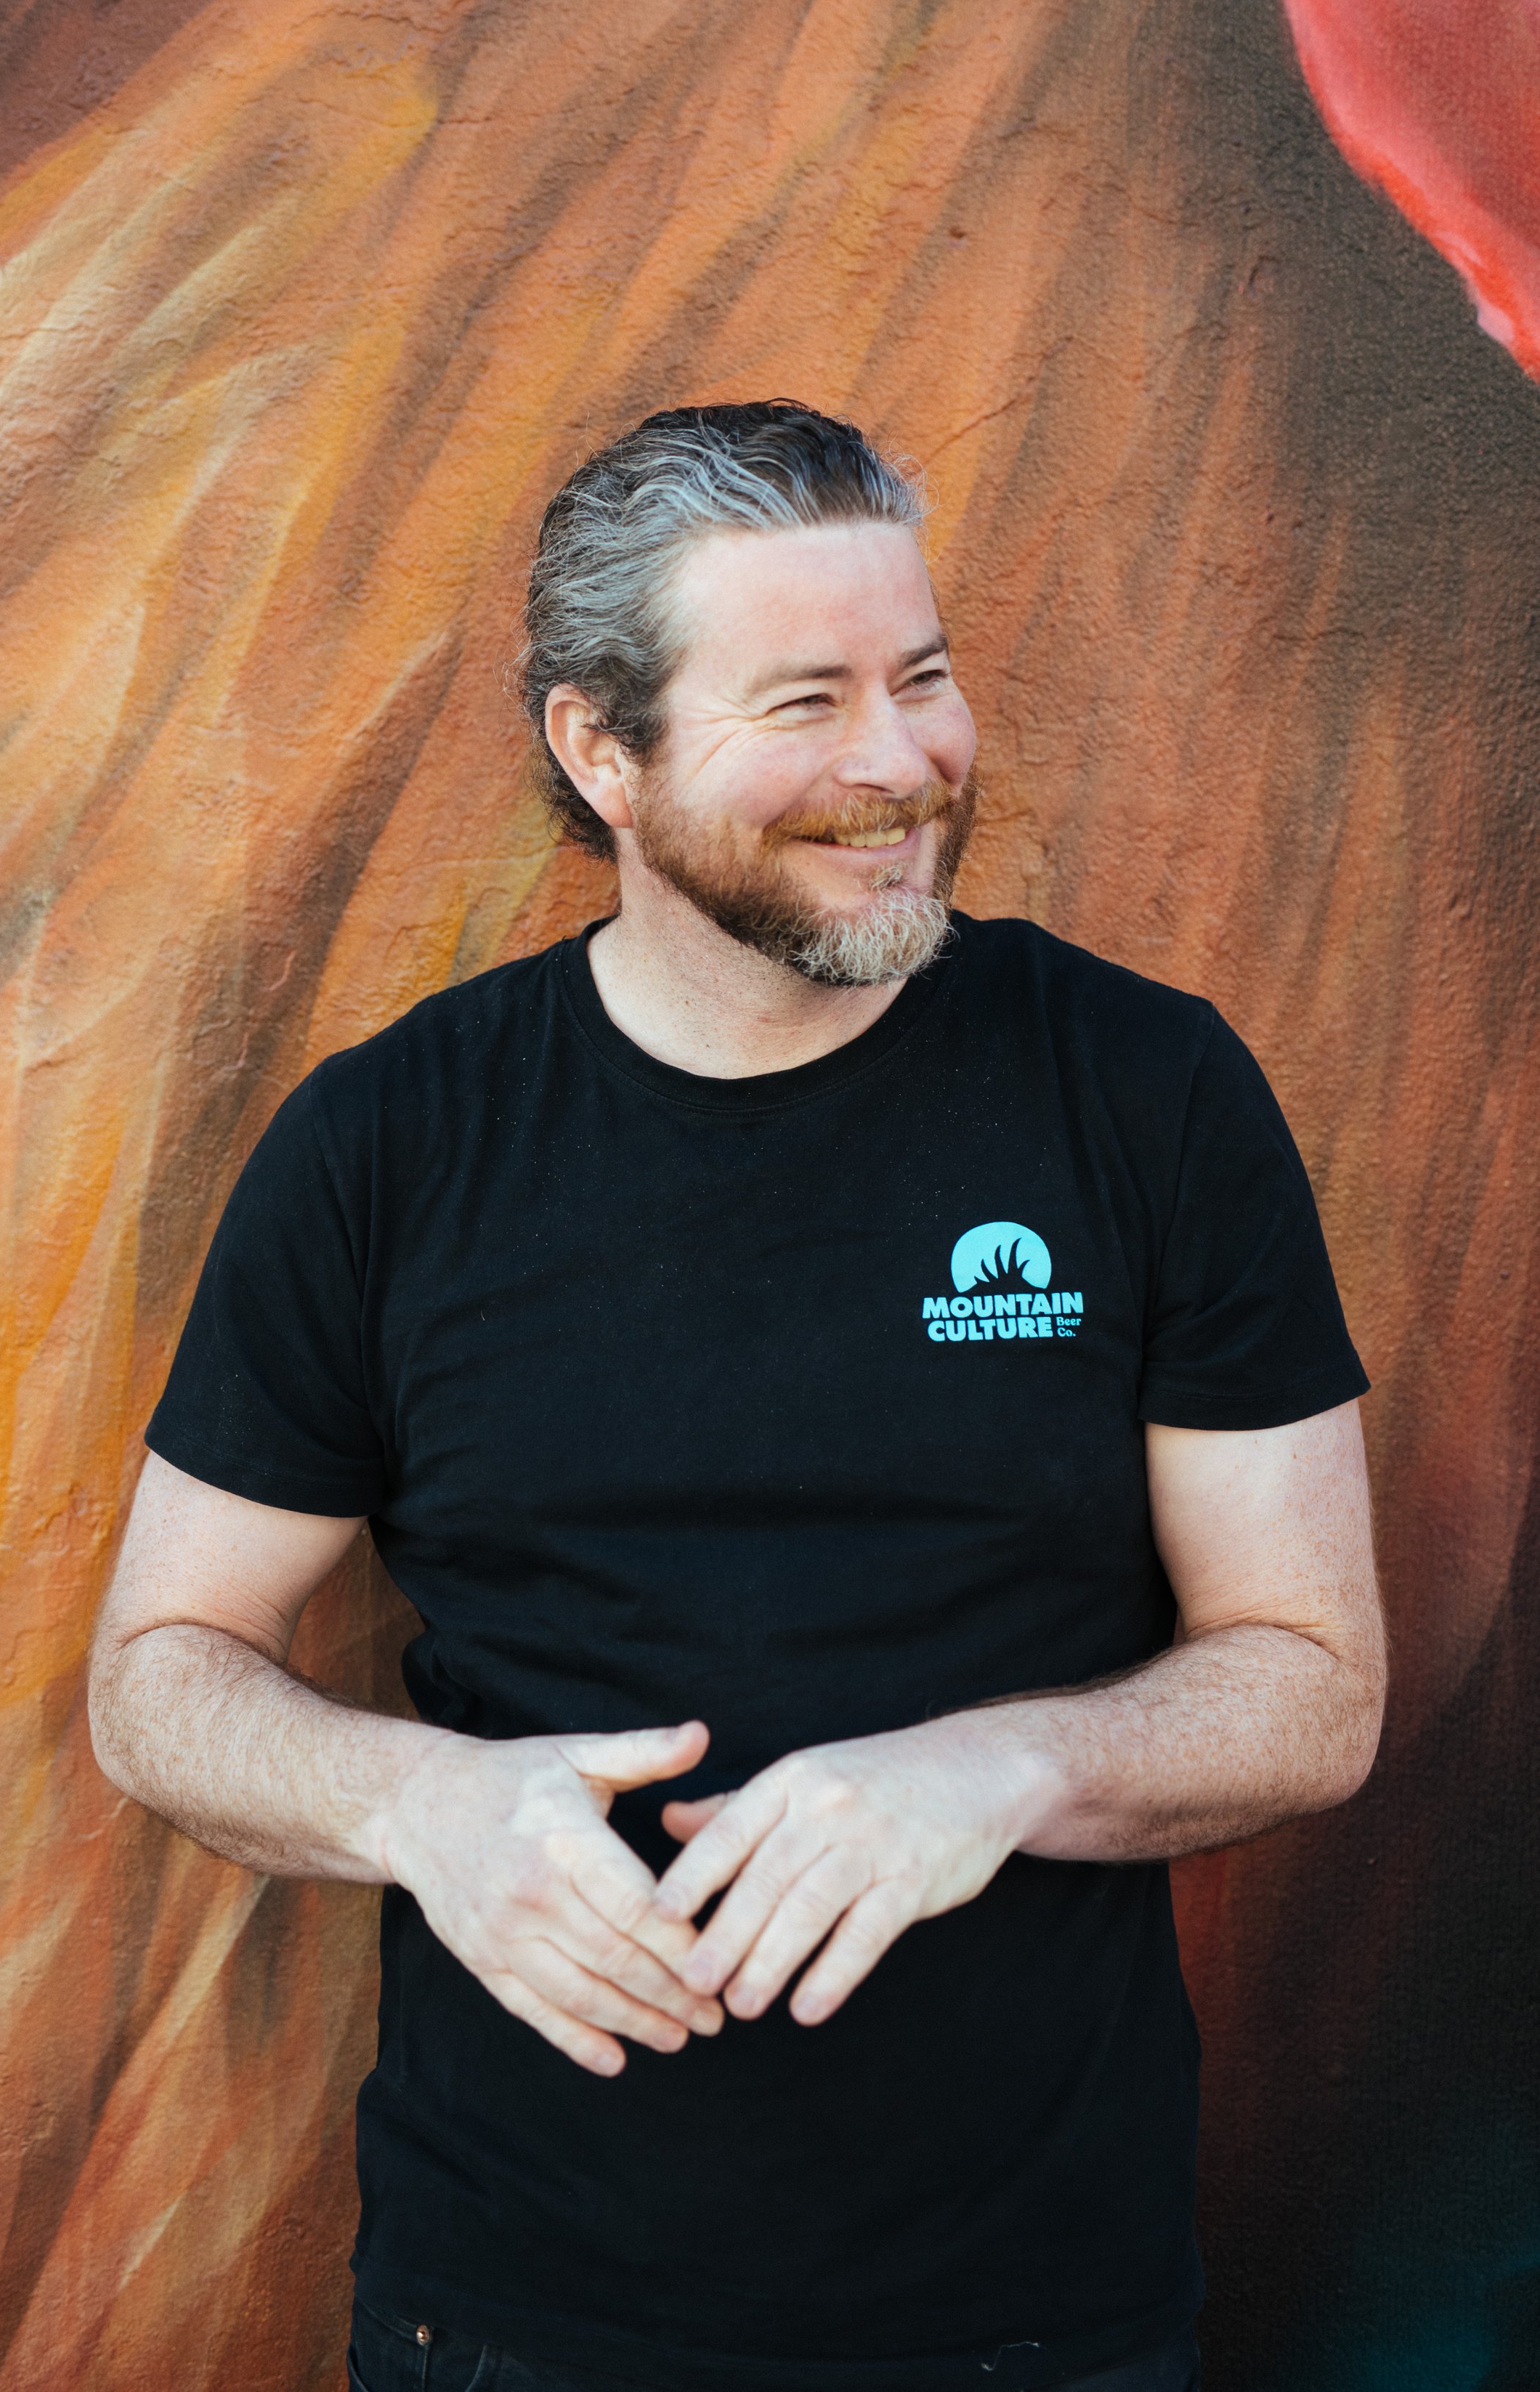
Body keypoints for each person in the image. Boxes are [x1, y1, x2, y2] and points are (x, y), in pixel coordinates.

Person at [88, 402, 1385, 2392]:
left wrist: (1000, 1771)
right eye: (805, 702)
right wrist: (420, 1802)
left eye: (922, 676)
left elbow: (1309, 1678)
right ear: (599, 753)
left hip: (1033, 2324)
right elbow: (161, 1670)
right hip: (510, 2322)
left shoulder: (1140, 1093)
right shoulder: (389, 1146)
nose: (900, 764)